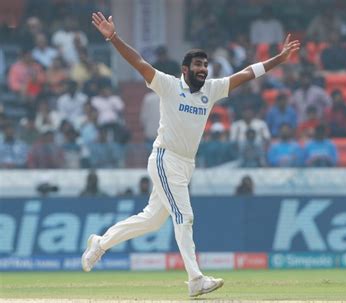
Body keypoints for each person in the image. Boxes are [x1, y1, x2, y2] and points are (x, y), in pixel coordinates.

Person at [84, 11, 300, 297]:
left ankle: (100, 243)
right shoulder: (168, 85)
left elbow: (246, 73)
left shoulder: (211, 89)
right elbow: (139, 62)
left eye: (205, 65)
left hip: (186, 164)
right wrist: (113, 37)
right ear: (185, 69)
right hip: (165, 158)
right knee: (184, 216)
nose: (203, 69)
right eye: (197, 65)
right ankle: (195, 279)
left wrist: (278, 60)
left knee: (151, 219)